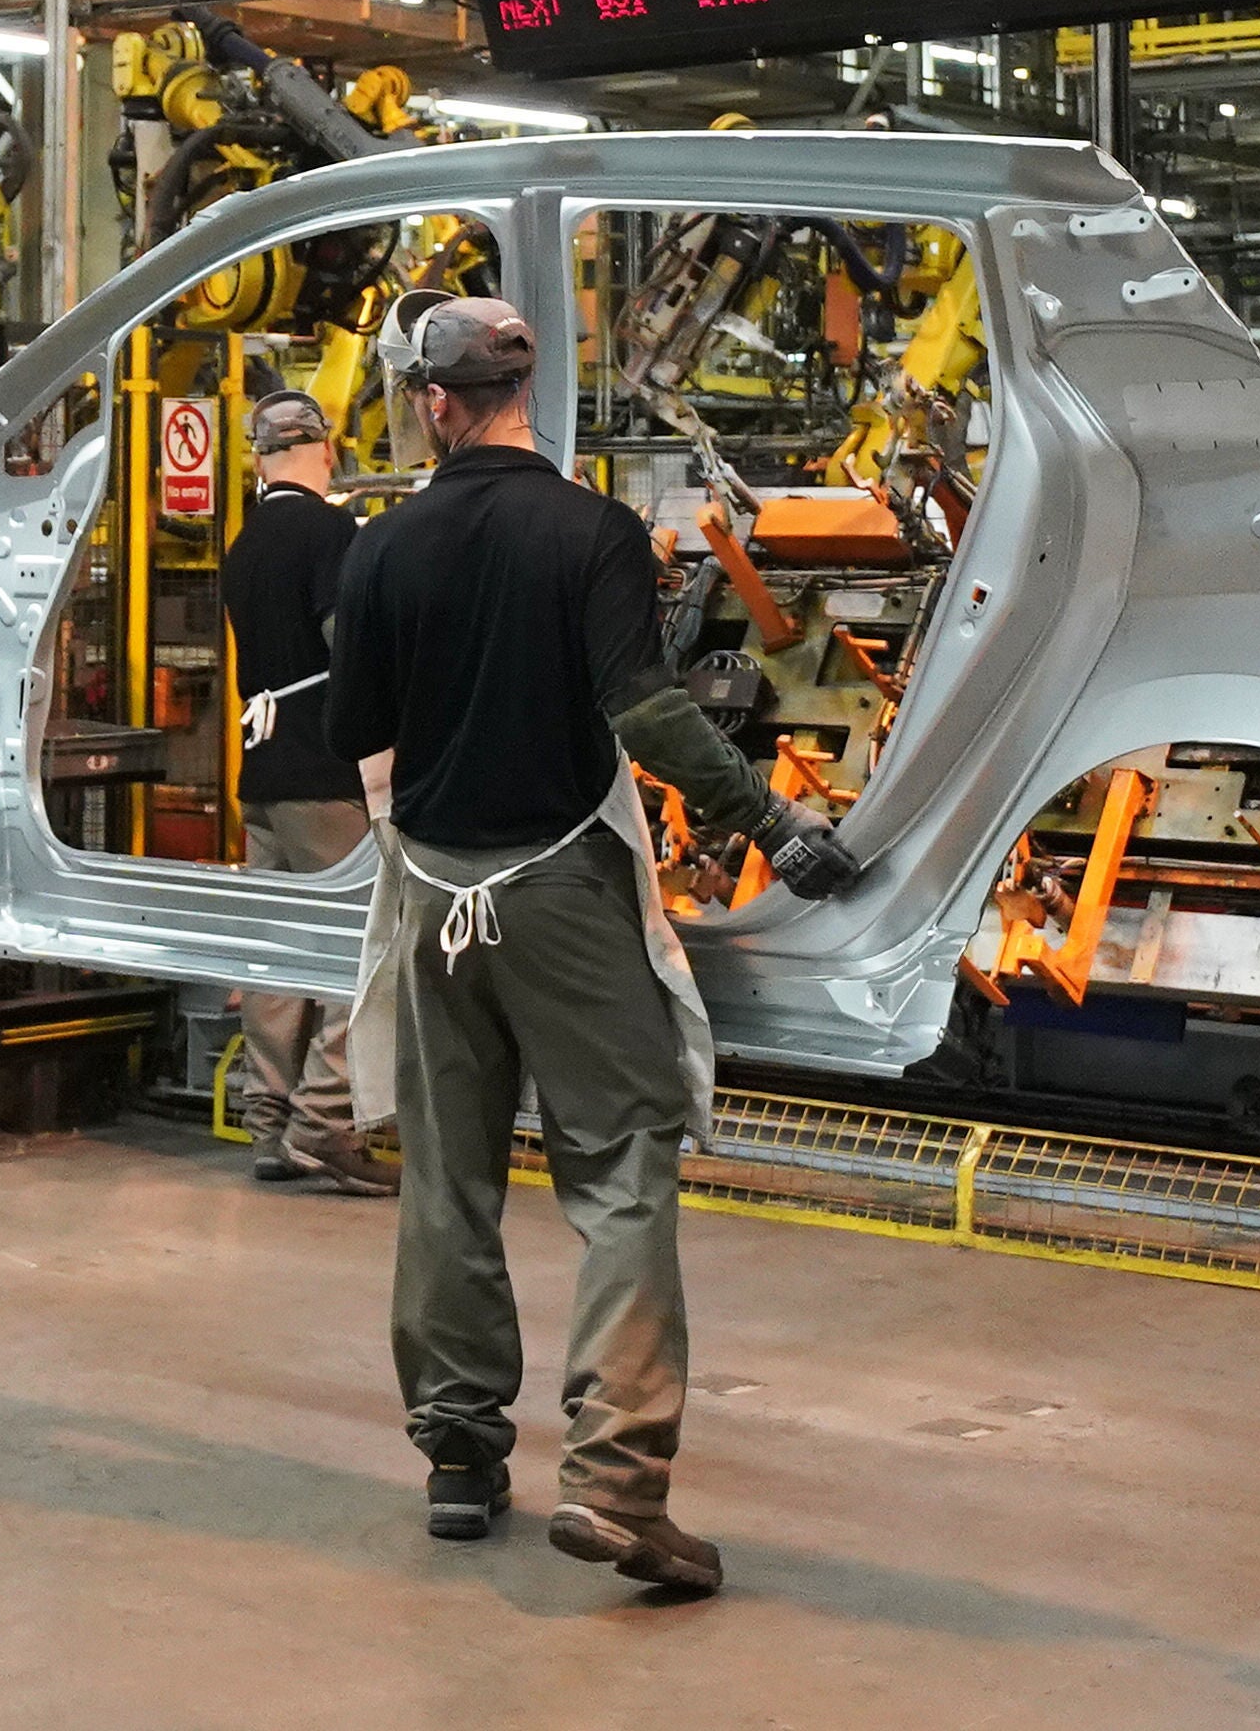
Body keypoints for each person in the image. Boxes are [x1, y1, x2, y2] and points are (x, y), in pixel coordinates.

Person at [326, 289, 860, 1596]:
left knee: (447, 1176)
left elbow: (365, 742)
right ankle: (617, 1487)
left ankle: (459, 1461)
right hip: (562, 890)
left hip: (435, 900)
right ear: (523, 394)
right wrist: (775, 825)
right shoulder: (595, 533)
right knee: (620, 1174)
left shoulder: (383, 549)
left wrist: (424, 856)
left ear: (434, 403)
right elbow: (652, 717)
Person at [219, 386, 394, 1198]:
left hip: (261, 772)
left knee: (275, 951)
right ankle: (325, 1124)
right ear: (323, 450)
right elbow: (344, 641)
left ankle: (269, 1120)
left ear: (260, 458)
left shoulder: (244, 543)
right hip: (327, 773)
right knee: (352, 946)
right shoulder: (330, 531)